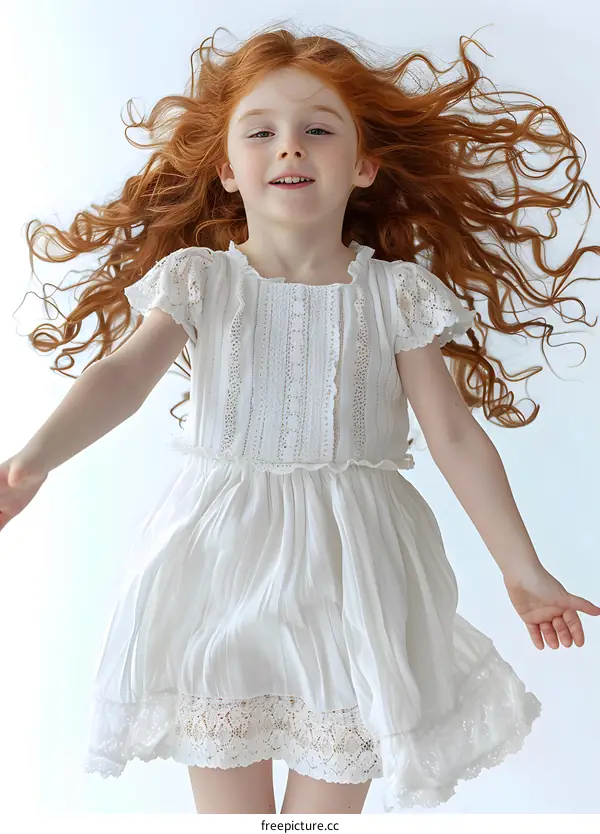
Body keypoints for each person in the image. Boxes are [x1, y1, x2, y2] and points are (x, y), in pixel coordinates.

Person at [2, 23, 600, 815]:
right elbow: (121, 377)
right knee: (235, 811)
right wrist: (31, 460)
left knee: (320, 809)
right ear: (226, 168)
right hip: (218, 557)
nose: (290, 148)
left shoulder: (395, 295)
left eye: (317, 130)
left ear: (362, 166)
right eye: (263, 132)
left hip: (358, 571)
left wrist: (523, 573)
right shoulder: (202, 282)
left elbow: (455, 437)